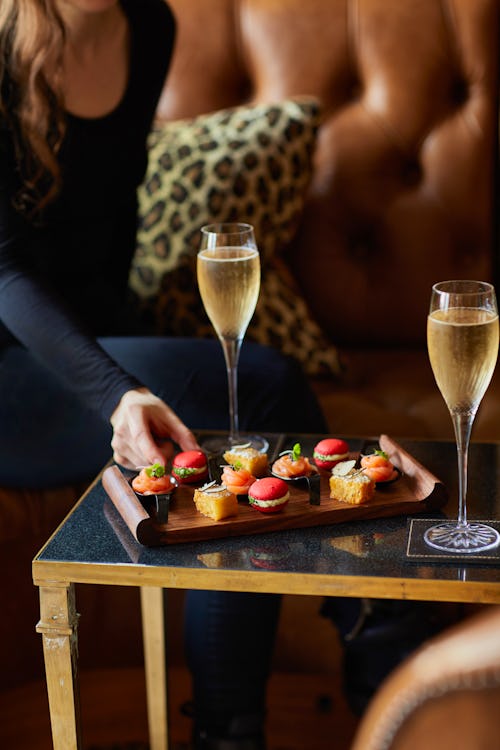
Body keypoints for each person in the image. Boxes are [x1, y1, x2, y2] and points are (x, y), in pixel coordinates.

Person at [0, 3, 460, 749]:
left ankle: (246, 717)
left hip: (92, 336)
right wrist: (117, 388)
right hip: (10, 367)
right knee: (262, 389)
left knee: (230, 424)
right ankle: (365, 639)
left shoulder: (149, 25)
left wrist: (143, 355)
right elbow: (4, 270)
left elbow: (114, 221)